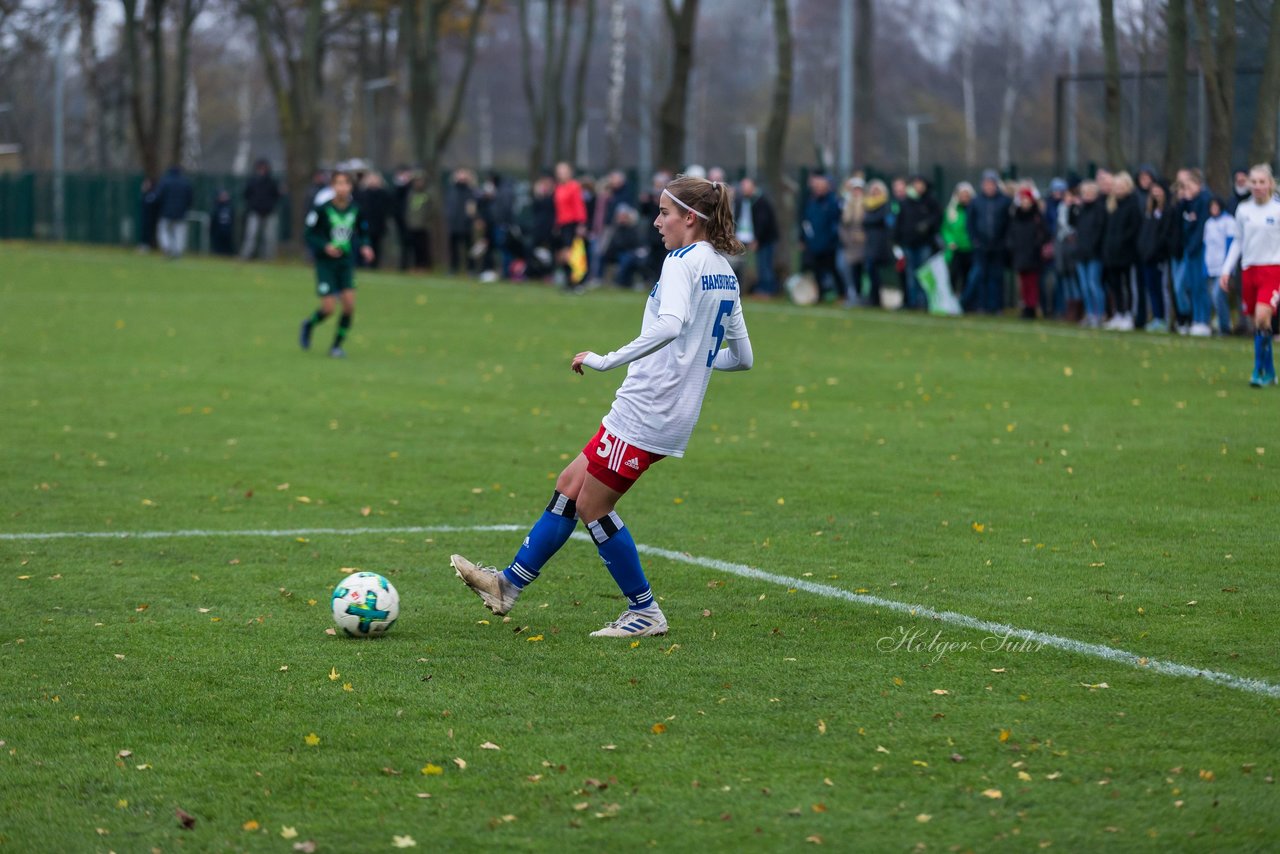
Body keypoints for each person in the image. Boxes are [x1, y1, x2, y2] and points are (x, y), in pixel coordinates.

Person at [450, 175, 754, 638]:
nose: (656, 222)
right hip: (660, 409)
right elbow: (743, 357)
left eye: (664, 214)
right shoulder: (723, 270)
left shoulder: (681, 262)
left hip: (648, 409)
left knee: (592, 504)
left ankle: (644, 612)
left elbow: (671, 326)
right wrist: (696, 365)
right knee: (570, 484)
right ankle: (505, 586)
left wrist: (606, 360)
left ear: (689, 218)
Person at [299, 171, 374, 358]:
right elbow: (309, 234)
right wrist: (325, 246)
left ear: (350, 187)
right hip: (325, 264)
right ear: (332, 187)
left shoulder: (356, 209)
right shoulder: (321, 209)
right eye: (338, 184)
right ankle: (309, 324)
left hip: (345, 263)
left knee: (349, 306)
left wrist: (366, 246)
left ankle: (336, 346)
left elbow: (362, 230)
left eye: (345, 184)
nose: (342, 187)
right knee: (329, 309)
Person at [1221, 164, 1280, 385]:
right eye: (1253, 182)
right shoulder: (1243, 210)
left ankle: (1258, 371)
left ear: (1270, 184)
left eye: (1261, 182)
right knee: (1259, 323)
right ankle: (1271, 371)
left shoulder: (1277, 209)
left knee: (1263, 316)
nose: (1257, 186)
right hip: (1249, 270)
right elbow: (1238, 240)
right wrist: (1227, 269)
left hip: (1273, 270)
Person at [965, 169, 1011, 314]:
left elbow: (1009, 223)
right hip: (981, 246)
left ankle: (996, 306)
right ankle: (982, 305)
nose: (989, 186)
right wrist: (975, 240)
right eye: (986, 183)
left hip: (998, 246)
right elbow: (970, 223)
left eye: (991, 183)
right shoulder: (976, 201)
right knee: (981, 276)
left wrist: (1004, 241)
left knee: (996, 277)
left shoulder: (1004, 201)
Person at [894, 175, 942, 310]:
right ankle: (912, 302)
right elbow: (900, 222)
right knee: (910, 274)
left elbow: (938, 218)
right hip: (908, 243)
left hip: (924, 243)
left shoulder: (930, 202)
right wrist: (897, 240)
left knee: (924, 274)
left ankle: (924, 302)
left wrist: (927, 225)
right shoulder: (906, 202)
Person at [1101, 171, 1141, 330]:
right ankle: (1119, 313)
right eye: (1115, 186)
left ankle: (1129, 315)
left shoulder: (1133, 204)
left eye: (1121, 186)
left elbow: (1134, 228)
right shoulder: (1111, 204)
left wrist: (1122, 243)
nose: (1118, 189)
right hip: (1112, 254)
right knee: (1115, 285)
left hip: (1127, 253)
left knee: (1127, 285)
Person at [1176, 169, 1213, 336]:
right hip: (1190, 249)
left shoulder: (1204, 201)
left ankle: (1203, 320)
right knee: (1191, 285)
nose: (1187, 190)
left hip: (1199, 250)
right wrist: (1184, 201)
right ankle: (1196, 319)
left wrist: (1193, 247)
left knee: (1200, 286)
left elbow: (1200, 228)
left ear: (1199, 184)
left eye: (1190, 186)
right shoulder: (1189, 202)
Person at [1137, 180, 1175, 333]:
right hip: (1147, 258)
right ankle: (1157, 317)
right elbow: (1145, 235)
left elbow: (1164, 236)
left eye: (1159, 189)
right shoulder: (1150, 213)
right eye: (1154, 190)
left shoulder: (1167, 212)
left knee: (1161, 288)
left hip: (1159, 257)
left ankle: (1165, 319)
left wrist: (1155, 251)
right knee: (1151, 288)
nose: (1156, 193)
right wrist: (1144, 250)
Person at [799, 172, 842, 302]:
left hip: (828, 244)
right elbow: (805, 221)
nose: (817, 188)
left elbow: (835, 222)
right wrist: (803, 238)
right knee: (816, 271)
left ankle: (841, 293)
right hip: (814, 243)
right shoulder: (811, 201)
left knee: (833, 269)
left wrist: (831, 238)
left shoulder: (832, 201)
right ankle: (820, 295)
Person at [734, 176, 780, 298]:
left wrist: (756, 239)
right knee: (760, 265)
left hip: (765, 239)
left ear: (753, 186)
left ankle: (768, 290)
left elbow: (762, 222)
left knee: (765, 265)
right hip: (756, 238)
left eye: (745, 187)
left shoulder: (760, 201)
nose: (743, 189)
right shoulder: (745, 200)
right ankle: (761, 289)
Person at [1071, 180, 1107, 328]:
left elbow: (1099, 232)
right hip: (1081, 253)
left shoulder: (1099, 210)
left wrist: (1093, 248)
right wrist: (1073, 207)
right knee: (1084, 286)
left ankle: (1100, 314)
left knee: (1094, 284)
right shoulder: (1081, 209)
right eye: (1084, 193)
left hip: (1094, 254)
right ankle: (1090, 313)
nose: (1087, 196)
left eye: (1090, 193)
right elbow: (1072, 223)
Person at [1007, 187, 1048, 319]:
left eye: (1027, 200)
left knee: (1032, 282)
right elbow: (1012, 234)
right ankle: (1025, 306)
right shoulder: (1016, 216)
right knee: (1023, 283)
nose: (1025, 203)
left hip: (1033, 254)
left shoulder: (1037, 217)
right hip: (1020, 253)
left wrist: (1036, 246)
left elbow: (1043, 235)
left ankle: (1032, 307)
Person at [1203, 196, 1236, 335]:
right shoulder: (1209, 223)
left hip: (1223, 268)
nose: (1214, 209)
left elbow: (1231, 245)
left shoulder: (1228, 221)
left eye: (1216, 206)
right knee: (1214, 297)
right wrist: (1204, 267)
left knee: (1218, 295)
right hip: (1211, 266)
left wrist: (1227, 267)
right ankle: (1222, 322)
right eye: (1212, 206)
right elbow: (1206, 246)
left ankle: (1225, 326)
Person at [553, 161, 588, 288]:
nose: (560, 174)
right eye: (559, 171)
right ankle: (569, 281)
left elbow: (579, 206)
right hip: (562, 224)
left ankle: (576, 282)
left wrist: (581, 224)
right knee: (562, 255)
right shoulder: (558, 187)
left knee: (570, 254)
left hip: (571, 224)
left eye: (563, 171)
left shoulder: (574, 186)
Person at [862, 179, 895, 308]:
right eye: (873, 190)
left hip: (881, 244)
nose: (875, 193)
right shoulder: (866, 206)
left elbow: (888, 223)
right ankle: (873, 297)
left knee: (879, 272)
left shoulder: (886, 206)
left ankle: (881, 298)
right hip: (870, 243)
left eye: (878, 190)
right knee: (871, 271)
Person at [240, 159, 281, 261]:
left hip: (269, 213)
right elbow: (246, 195)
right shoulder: (252, 181)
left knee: (269, 237)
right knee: (251, 235)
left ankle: (268, 257)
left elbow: (276, 196)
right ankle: (246, 255)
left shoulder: (271, 182)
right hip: (255, 212)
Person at [941, 182, 974, 311]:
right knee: (953, 277)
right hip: (955, 250)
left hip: (970, 249)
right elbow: (945, 228)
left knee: (968, 278)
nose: (964, 198)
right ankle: (951, 303)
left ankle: (966, 303)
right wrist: (950, 241)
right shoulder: (951, 211)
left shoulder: (973, 209)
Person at [155, 164, 193, 259]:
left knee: (164, 230)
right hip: (181, 213)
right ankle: (177, 251)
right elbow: (190, 198)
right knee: (179, 233)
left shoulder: (165, 182)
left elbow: (158, 196)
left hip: (166, 212)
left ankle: (167, 247)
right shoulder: (186, 183)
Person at [357, 171, 394, 270]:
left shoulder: (384, 194)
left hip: (379, 225)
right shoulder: (362, 194)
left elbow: (388, 209)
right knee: (365, 244)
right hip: (365, 224)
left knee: (377, 246)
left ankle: (374, 265)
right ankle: (363, 264)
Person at [445, 168, 477, 275]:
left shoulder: (471, 191)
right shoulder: (451, 190)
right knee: (453, 249)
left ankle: (471, 269)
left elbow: (472, 208)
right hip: (453, 224)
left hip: (466, 224)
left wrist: (470, 219)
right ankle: (453, 268)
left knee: (469, 248)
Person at [404, 171, 432, 271]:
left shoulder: (427, 194)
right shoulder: (411, 193)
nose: (418, 183)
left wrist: (426, 222)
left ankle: (424, 266)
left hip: (423, 226)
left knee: (423, 247)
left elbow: (431, 210)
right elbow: (408, 210)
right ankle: (416, 266)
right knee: (414, 247)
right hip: (413, 225)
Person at [210, 190, 236, 256]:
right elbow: (213, 220)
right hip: (218, 231)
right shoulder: (216, 207)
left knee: (227, 248)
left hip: (227, 231)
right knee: (217, 248)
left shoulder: (230, 207)